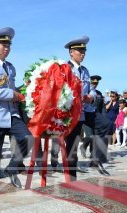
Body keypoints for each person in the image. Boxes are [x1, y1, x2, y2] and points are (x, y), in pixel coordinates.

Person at [0, 27, 33, 196]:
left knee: (28, 138)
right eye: (3, 43)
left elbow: (14, 89)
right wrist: (12, 94)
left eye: (8, 44)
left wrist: (27, 91)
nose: (6, 47)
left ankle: (12, 166)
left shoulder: (11, 67)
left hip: (12, 115)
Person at [64, 36, 111, 179]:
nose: (82, 53)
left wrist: (91, 96)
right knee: (72, 143)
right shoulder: (64, 68)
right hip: (72, 112)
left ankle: (96, 159)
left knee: (106, 124)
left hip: (86, 109)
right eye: (79, 51)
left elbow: (90, 88)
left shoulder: (85, 70)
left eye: (84, 51)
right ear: (71, 52)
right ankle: (71, 176)